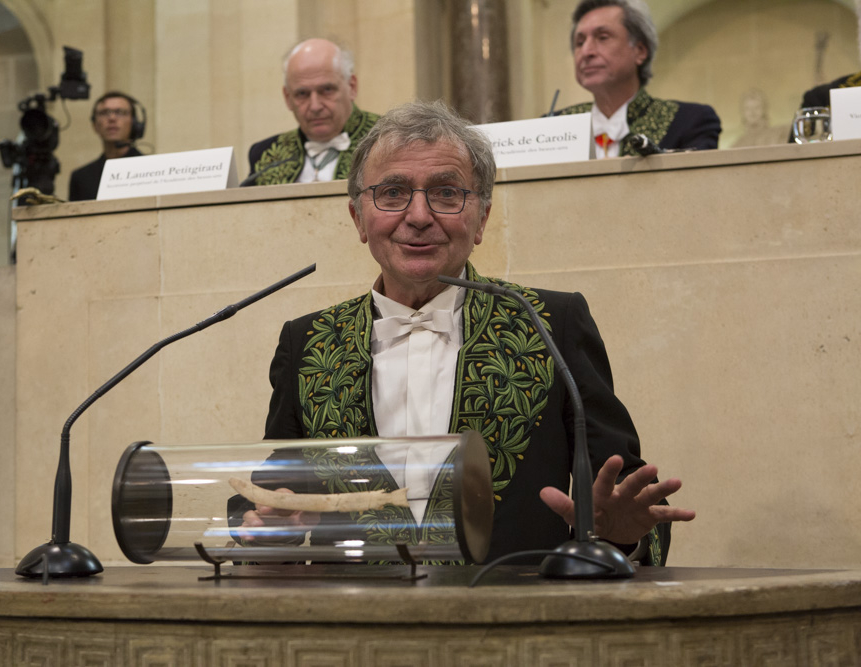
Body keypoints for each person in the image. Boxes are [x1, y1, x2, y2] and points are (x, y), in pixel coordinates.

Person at [237, 101, 695, 565]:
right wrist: (265, 525)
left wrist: (619, 537)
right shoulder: (309, 342)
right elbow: (271, 493)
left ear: (481, 218)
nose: (418, 215)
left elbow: (623, 496)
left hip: (519, 622)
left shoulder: (552, 321)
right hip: (355, 625)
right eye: (392, 192)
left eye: (446, 193)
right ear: (358, 218)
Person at [556, 0, 720, 158]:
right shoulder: (553, 127)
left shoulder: (689, 122)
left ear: (640, 51)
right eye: (580, 42)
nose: (586, 51)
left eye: (603, 37)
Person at [245, 38, 379, 186]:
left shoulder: (389, 138)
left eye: (327, 90)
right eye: (302, 94)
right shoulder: (266, 155)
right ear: (288, 98)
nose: (315, 106)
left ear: (352, 87)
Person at [68, 91, 145, 201]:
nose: (112, 118)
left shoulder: (150, 169)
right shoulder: (81, 177)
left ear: (134, 123)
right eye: (104, 113)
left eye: (120, 112)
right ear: (95, 124)